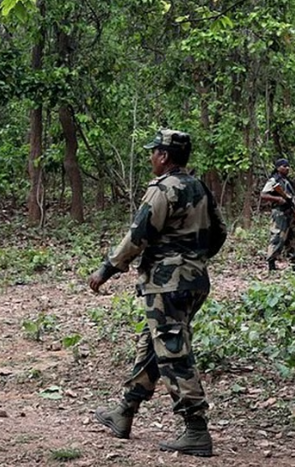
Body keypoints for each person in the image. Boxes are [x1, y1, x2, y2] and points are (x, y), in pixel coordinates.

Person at [88, 129, 227, 457]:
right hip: (194, 281)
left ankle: (196, 429)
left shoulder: (163, 189)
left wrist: (106, 269)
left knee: (173, 352)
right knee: (153, 346)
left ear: (164, 156)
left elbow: (138, 235)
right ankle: (125, 412)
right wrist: (194, 259)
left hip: (168, 283)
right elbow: (220, 232)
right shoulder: (200, 187)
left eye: (154, 152)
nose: (151, 156)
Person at [260, 158, 295, 273]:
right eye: (284, 166)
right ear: (278, 168)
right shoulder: (274, 180)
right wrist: (277, 199)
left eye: (288, 166)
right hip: (279, 213)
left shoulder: (287, 181)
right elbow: (263, 195)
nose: (287, 168)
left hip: (290, 212)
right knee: (277, 238)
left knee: (293, 239)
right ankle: (271, 265)